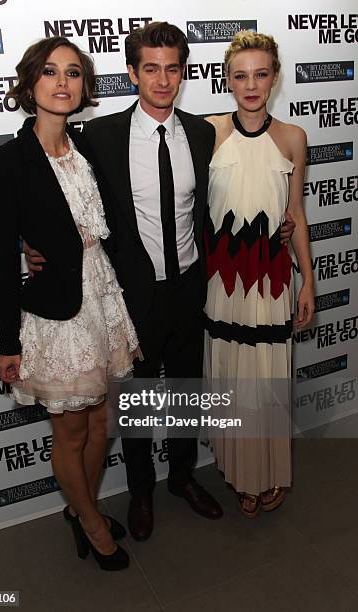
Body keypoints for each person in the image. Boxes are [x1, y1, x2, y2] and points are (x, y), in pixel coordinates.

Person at [26, 22, 295, 540]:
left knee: (188, 392)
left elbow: (244, 183)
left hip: (195, 285)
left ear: (184, 73)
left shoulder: (202, 132)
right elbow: (46, 170)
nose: (162, 78)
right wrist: (32, 242)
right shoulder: (101, 136)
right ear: (132, 73)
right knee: (138, 399)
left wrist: (281, 222)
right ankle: (142, 490)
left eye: (173, 68)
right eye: (151, 67)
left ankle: (182, 479)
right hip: (134, 295)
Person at [0, 36, 139, 570]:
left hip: (102, 294)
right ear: (30, 84)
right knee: (71, 428)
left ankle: (80, 506)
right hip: (56, 312)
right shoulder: (5, 163)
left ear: (84, 86)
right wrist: (7, 342)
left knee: (102, 422)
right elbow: (5, 258)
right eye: (50, 72)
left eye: (73, 73)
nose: (62, 82)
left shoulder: (89, 145)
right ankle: (93, 524)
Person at [204, 31, 314, 517]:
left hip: (271, 282)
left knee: (267, 381)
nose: (251, 85)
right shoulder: (207, 132)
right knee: (231, 381)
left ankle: (268, 471)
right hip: (222, 283)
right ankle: (242, 474)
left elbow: (296, 213)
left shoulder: (293, 137)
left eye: (261, 74)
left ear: (275, 77)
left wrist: (308, 278)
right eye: (240, 75)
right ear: (226, 80)